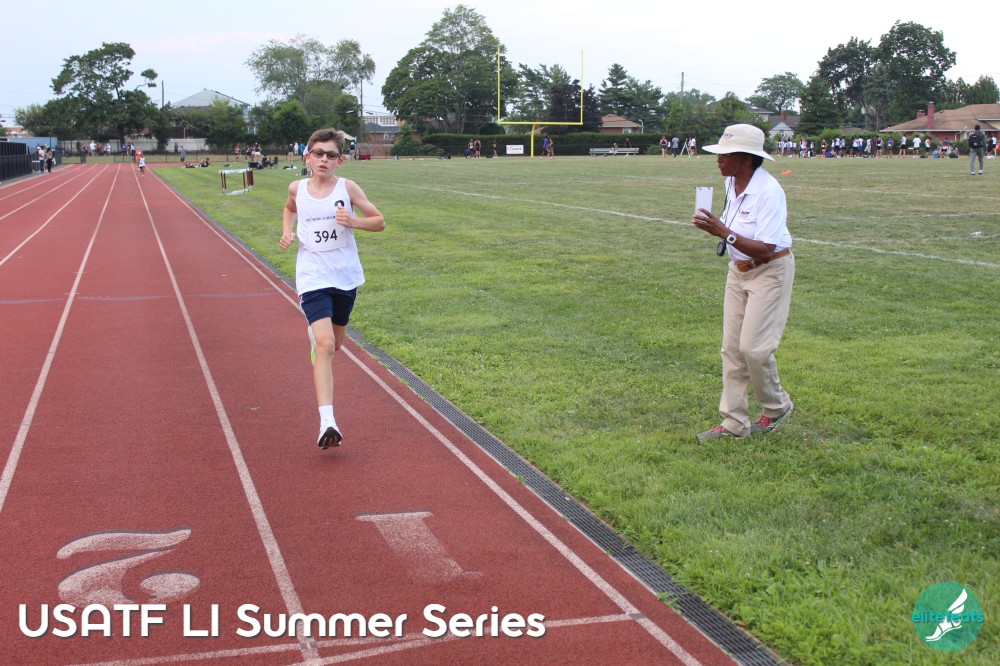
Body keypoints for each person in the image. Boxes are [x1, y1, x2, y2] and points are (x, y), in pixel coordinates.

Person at [279, 128, 386, 449]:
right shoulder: (297, 188)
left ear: (341, 160)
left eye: (331, 155)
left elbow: (379, 221)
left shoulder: (347, 188)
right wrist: (287, 231)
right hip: (312, 276)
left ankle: (319, 340)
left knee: (336, 343)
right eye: (318, 153)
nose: (324, 159)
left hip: (344, 276)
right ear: (307, 157)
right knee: (325, 345)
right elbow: (289, 208)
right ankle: (328, 421)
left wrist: (353, 221)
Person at [691, 124, 795, 441]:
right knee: (732, 349)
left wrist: (724, 232)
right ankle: (734, 422)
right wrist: (718, 229)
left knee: (754, 349)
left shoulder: (769, 192)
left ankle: (777, 406)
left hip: (769, 271)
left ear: (746, 158)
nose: (718, 160)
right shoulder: (731, 182)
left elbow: (766, 250)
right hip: (738, 271)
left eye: (725, 155)